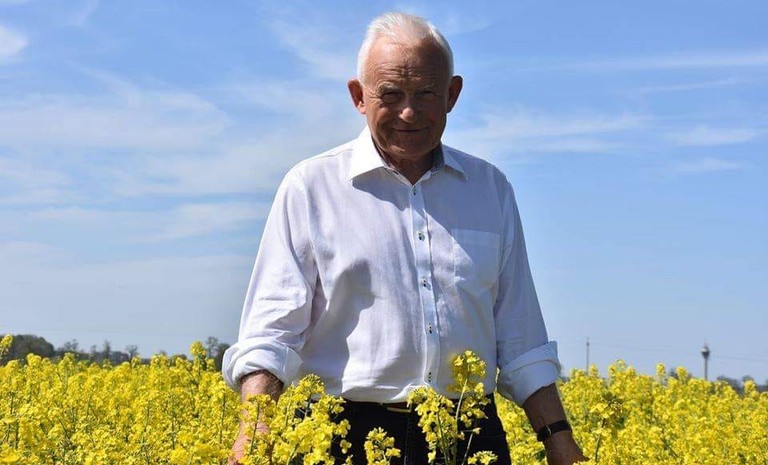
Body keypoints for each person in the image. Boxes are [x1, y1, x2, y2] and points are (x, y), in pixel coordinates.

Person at [223, 12, 586, 465]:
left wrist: (558, 440)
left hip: (469, 434)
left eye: (426, 93)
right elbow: (271, 333)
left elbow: (521, 337)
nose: (409, 112)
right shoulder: (310, 187)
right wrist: (255, 430)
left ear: (452, 94)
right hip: (343, 436)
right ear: (359, 97)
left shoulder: (490, 189)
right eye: (390, 94)